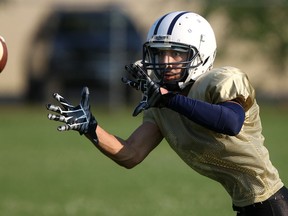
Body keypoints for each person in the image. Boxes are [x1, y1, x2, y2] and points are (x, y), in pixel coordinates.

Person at [46, 11, 288, 215]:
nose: (166, 61)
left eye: (176, 53)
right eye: (160, 52)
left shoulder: (219, 81)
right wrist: (91, 128)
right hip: (248, 206)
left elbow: (230, 122)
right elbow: (131, 154)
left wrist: (169, 99)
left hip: (273, 203)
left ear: (200, 53)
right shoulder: (161, 103)